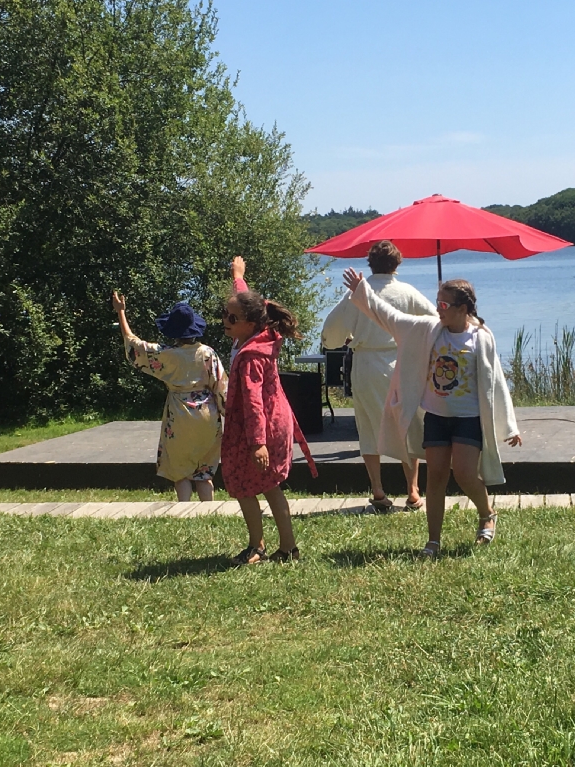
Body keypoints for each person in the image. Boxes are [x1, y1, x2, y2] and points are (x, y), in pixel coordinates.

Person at [341, 267, 521, 558]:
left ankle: (487, 513)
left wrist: (509, 425)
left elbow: (495, 382)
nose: (438, 309)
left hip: (468, 419)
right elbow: (389, 316)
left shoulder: (481, 338)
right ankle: (433, 541)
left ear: (463, 309)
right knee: (435, 476)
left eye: (444, 305)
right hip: (436, 417)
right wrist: (363, 291)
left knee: (464, 474)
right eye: (437, 302)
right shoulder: (427, 329)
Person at [321, 241, 435, 512]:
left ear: (370, 264)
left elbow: (331, 333)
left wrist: (343, 338)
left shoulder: (357, 293)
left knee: (369, 426)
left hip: (367, 364)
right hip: (402, 361)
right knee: (406, 424)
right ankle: (413, 490)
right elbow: (433, 321)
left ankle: (378, 490)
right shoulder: (407, 292)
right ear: (398, 263)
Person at [222, 286, 310, 563]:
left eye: (232, 318)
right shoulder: (261, 339)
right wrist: (239, 278)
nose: (225, 320)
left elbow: (253, 402)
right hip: (274, 421)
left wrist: (257, 443)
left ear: (249, 324)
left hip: (261, 427)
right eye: (224, 314)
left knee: (242, 485)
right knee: (270, 486)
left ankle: (257, 546)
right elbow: (251, 303)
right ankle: (287, 548)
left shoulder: (250, 356)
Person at [112, 293, 227, 502]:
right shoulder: (208, 354)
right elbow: (222, 389)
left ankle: (183, 511)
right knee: (204, 472)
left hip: (179, 415)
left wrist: (121, 312)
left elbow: (133, 344)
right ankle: (209, 512)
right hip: (207, 417)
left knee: (180, 471)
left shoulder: (165, 354)